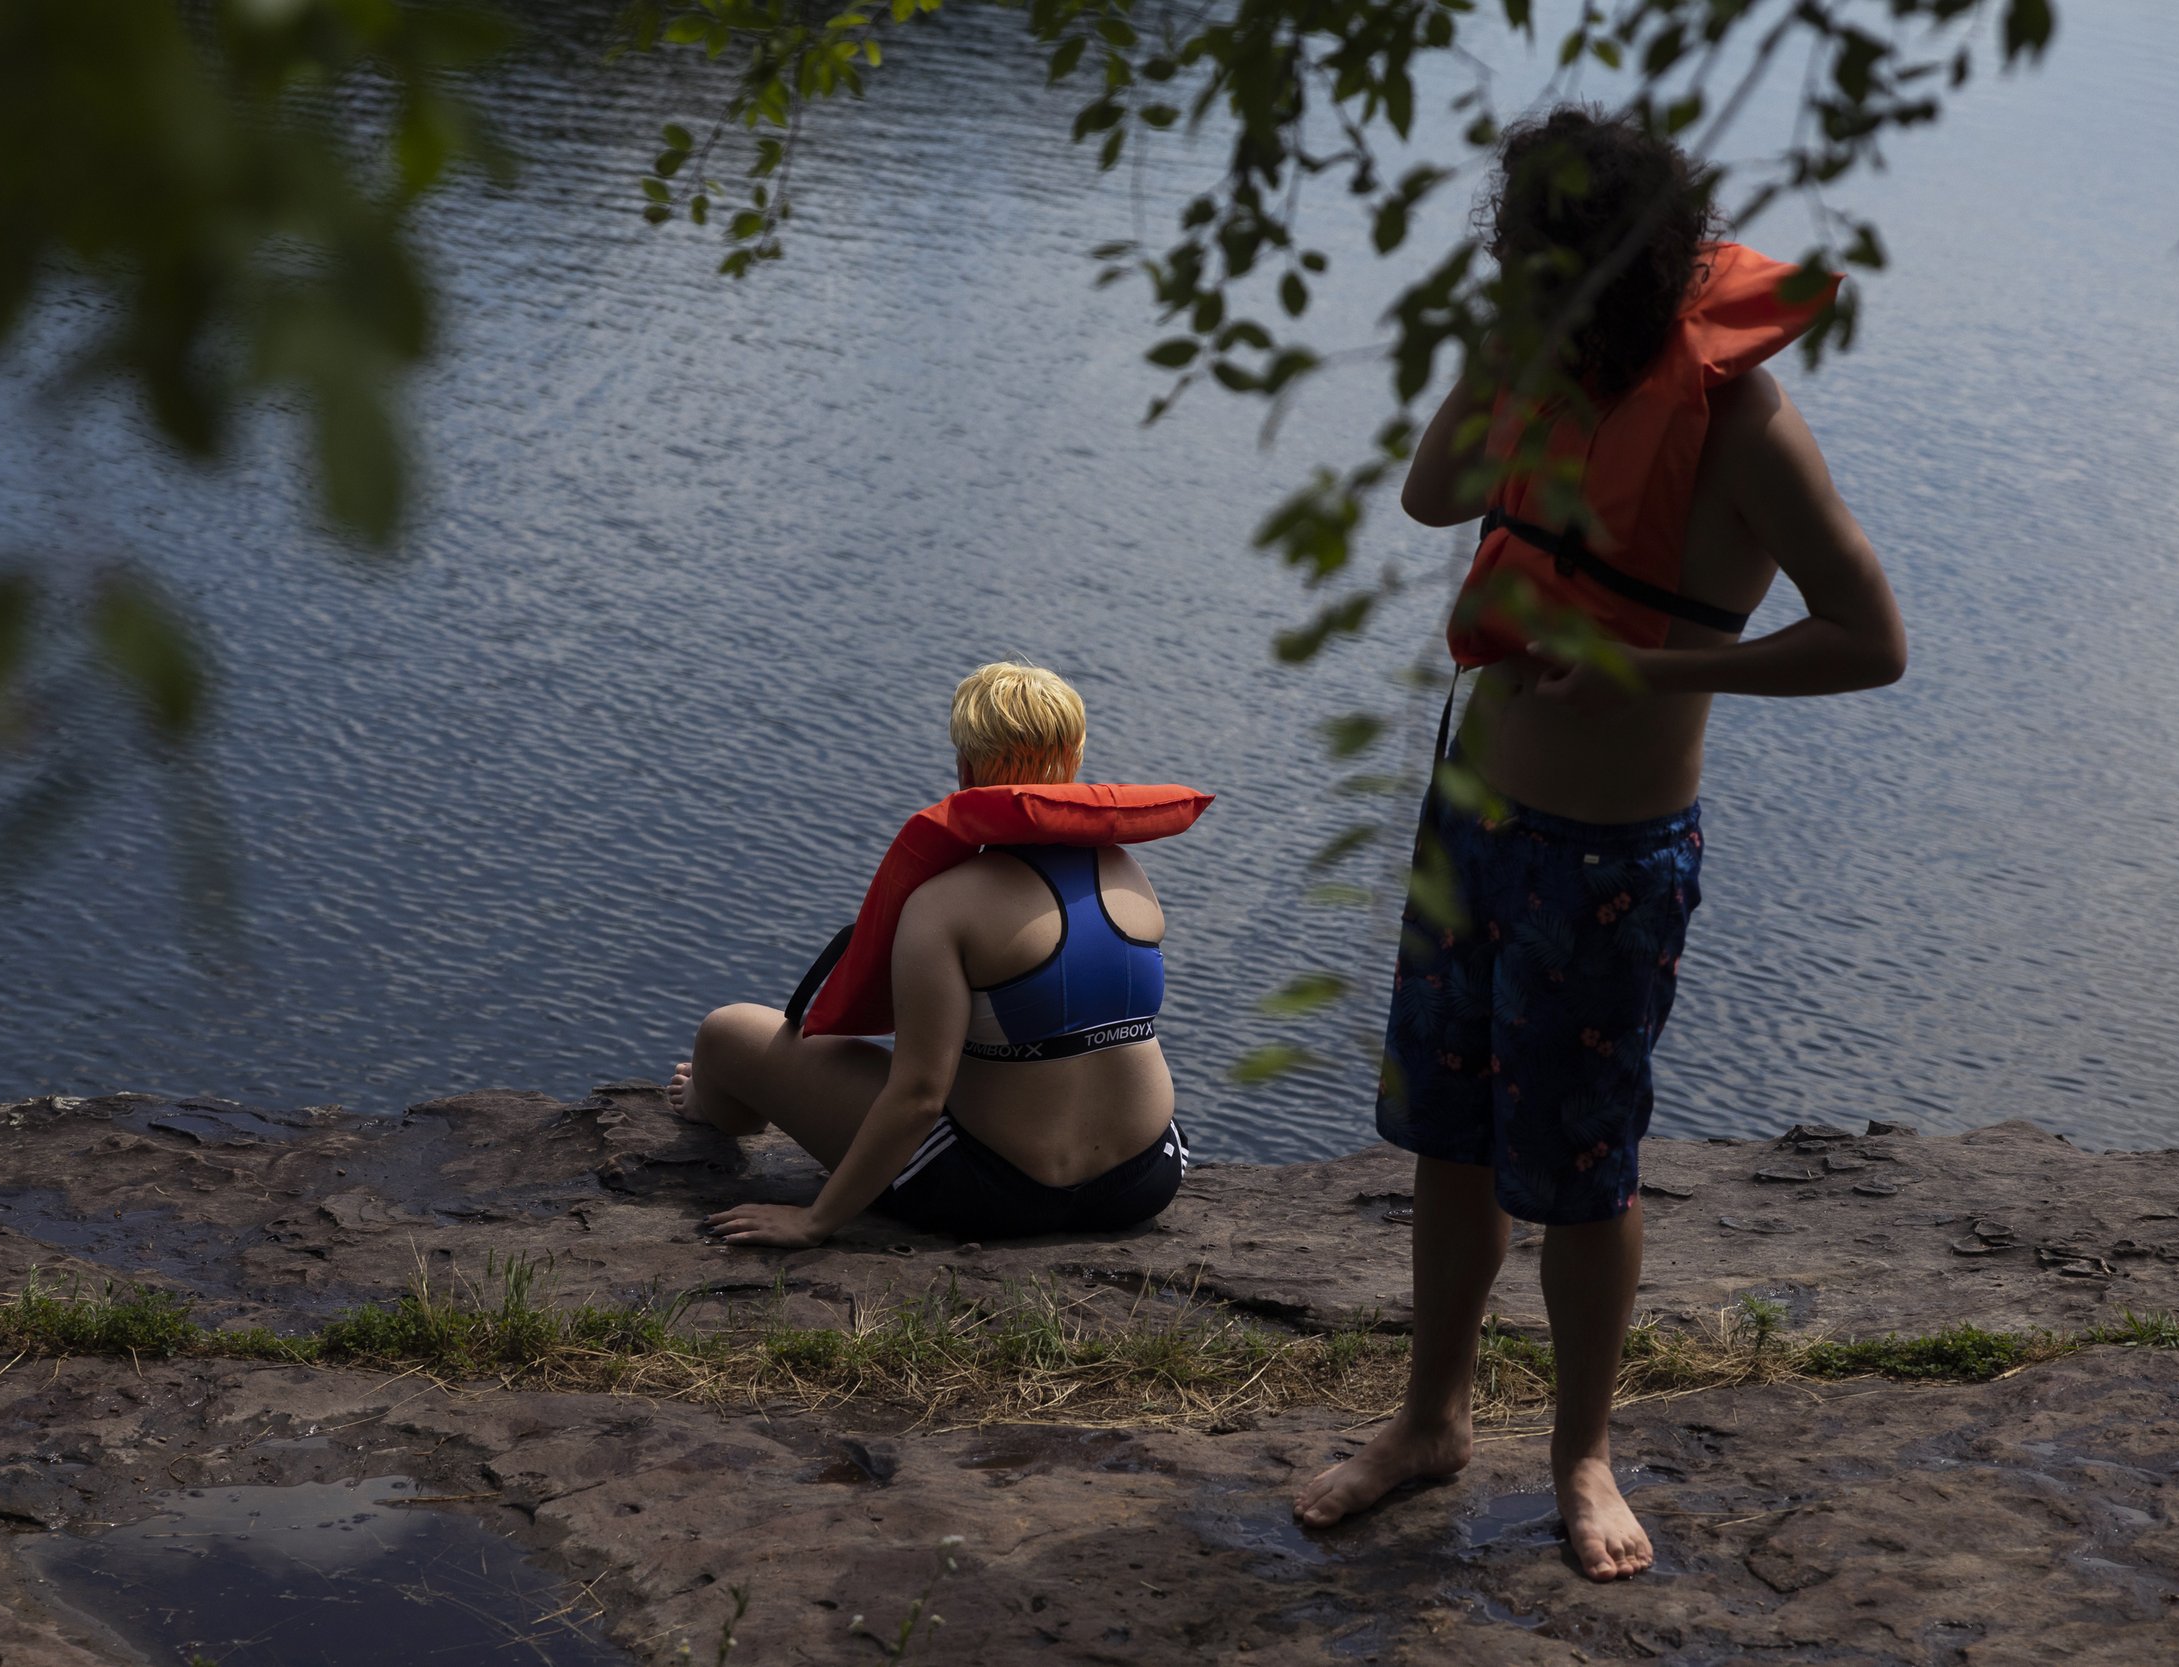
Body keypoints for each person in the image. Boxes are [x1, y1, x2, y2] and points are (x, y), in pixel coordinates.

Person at [1290, 107, 1908, 1582]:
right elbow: (1433, 493)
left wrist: (1658, 668)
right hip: (1472, 808)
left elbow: (1871, 642)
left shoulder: (1747, 425)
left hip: (1606, 853)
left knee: (1581, 1169)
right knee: (1447, 1137)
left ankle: (1582, 1450)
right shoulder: (1539, 363)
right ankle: (1428, 1419)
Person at [668, 661, 1195, 1245]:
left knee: (728, 1032)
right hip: (1148, 1176)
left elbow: (920, 1095)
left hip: (997, 1192)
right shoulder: (1129, 875)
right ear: (1074, 759)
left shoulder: (945, 903)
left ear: (966, 767)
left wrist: (816, 1221)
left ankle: (704, 1098)